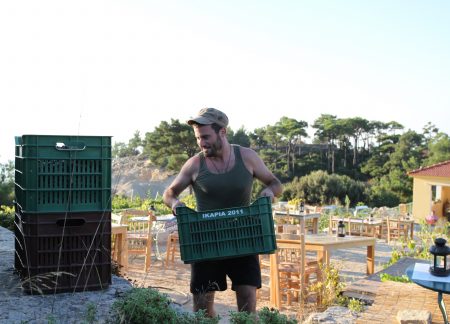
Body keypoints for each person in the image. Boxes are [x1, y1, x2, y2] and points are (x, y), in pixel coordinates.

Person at [163, 107, 283, 317]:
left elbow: (276, 184)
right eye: (198, 138)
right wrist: (175, 204)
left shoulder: (247, 157)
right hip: (206, 241)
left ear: (223, 132)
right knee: (201, 307)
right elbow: (169, 193)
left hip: (243, 237)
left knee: (247, 303)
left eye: (206, 137)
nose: (201, 143)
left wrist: (269, 191)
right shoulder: (194, 164)